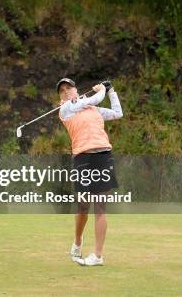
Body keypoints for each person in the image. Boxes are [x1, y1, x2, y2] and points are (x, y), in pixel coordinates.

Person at [56, 78, 123, 266]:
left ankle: (97, 256)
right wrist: (101, 90)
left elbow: (118, 113)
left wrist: (111, 92)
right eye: (62, 91)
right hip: (83, 157)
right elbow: (93, 99)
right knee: (83, 207)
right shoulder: (66, 109)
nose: (66, 91)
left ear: (76, 90)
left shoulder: (94, 110)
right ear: (61, 98)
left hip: (103, 154)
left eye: (69, 88)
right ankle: (77, 242)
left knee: (100, 207)